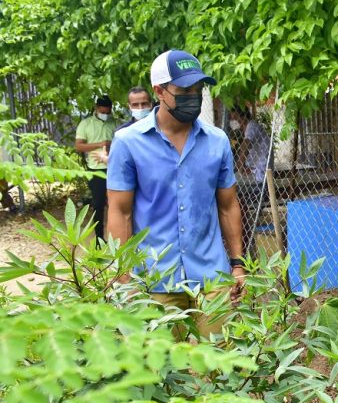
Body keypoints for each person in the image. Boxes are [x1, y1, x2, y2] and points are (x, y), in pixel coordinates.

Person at [106, 49, 245, 339]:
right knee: (162, 372)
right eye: (184, 90)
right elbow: (121, 212)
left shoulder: (217, 142)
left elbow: (228, 206)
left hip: (212, 275)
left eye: (198, 89)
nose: (193, 96)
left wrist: (237, 265)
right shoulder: (129, 143)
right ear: (159, 91)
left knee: (224, 367)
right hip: (154, 279)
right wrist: (124, 278)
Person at [75, 94, 119, 240]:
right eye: (103, 112)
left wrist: (110, 145)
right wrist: (100, 144)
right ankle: (100, 239)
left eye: (108, 112)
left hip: (114, 167)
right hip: (95, 169)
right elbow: (79, 146)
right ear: (96, 108)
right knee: (99, 204)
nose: (105, 114)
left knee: (116, 205)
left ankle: (117, 238)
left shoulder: (115, 123)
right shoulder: (85, 124)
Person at [231, 105, 271, 255]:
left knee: (232, 185)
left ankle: (242, 221)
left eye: (234, 118)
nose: (232, 121)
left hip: (261, 174)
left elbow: (245, 147)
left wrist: (239, 167)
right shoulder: (250, 127)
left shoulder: (251, 127)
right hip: (257, 170)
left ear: (241, 118)